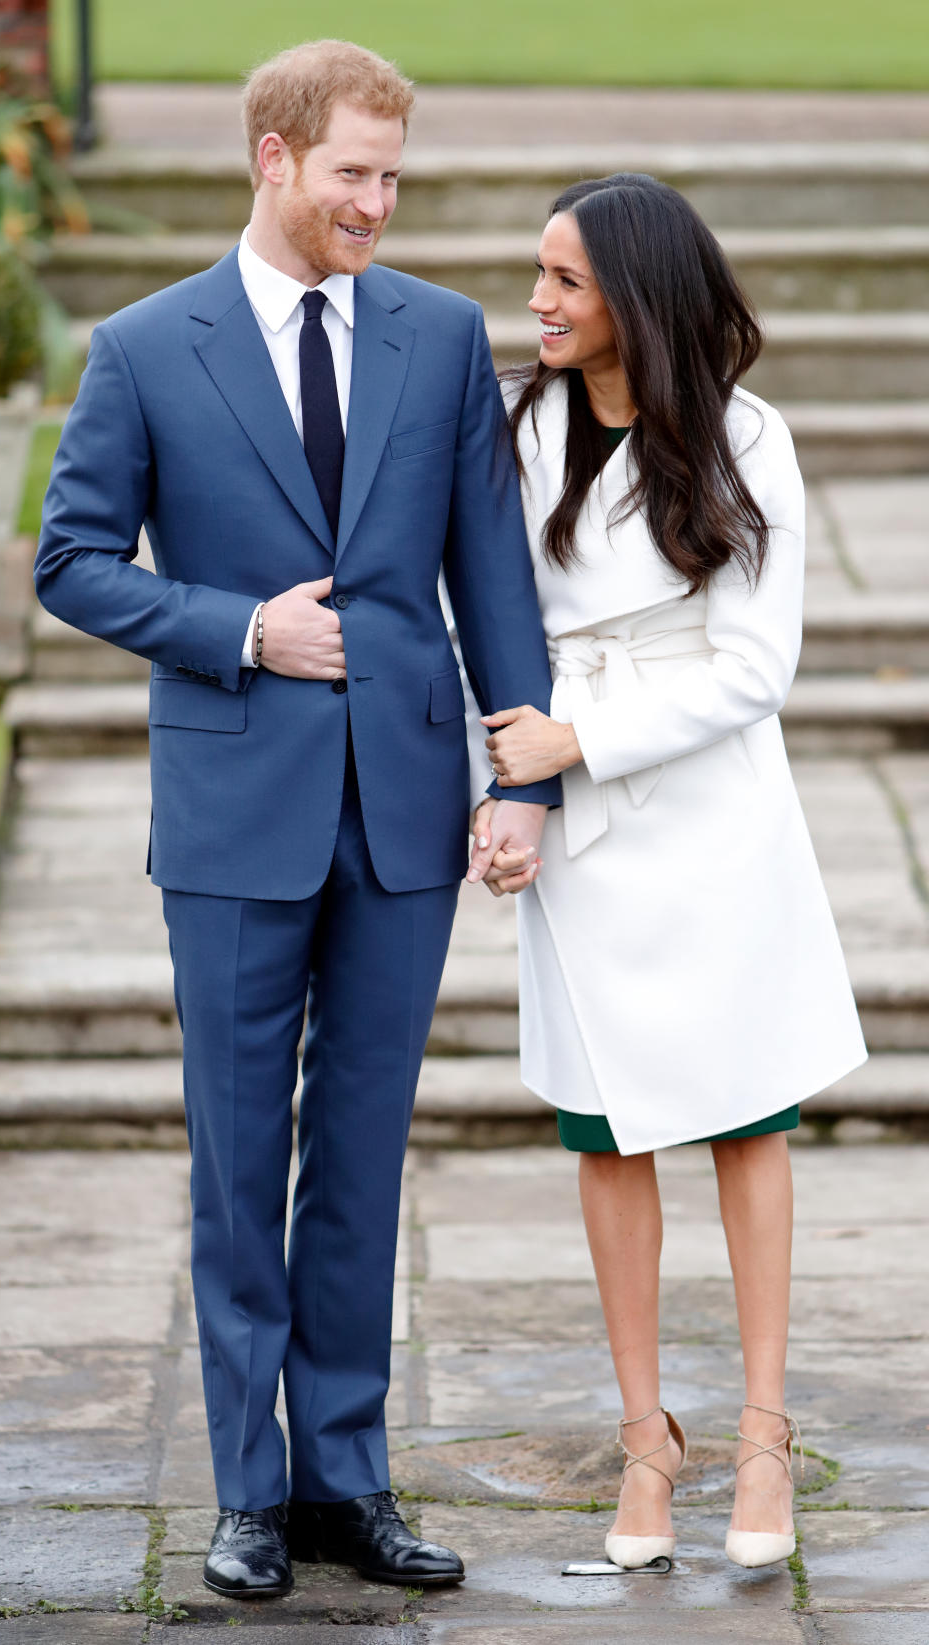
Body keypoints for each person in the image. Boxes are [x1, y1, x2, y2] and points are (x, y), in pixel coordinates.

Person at [35, 39, 560, 1600]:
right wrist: (239, 628)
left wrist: (520, 773)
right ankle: (248, 1491)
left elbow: (493, 574)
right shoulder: (144, 347)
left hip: (404, 807)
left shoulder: (442, 337)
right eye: (354, 175)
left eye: (394, 177)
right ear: (273, 160)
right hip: (235, 804)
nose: (379, 205)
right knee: (236, 1151)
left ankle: (349, 1478)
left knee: (362, 1151)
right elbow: (72, 560)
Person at [467, 174, 867, 1571]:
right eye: (538, 275)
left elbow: (757, 667)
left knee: (748, 1122)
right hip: (583, 829)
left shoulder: (748, 437)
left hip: (716, 822)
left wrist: (589, 734)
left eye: (565, 280)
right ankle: (648, 1437)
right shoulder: (525, 432)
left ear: (636, 294)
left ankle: (763, 1430)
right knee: (607, 1129)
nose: (538, 303)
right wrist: (516, 783)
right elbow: (497, 630)